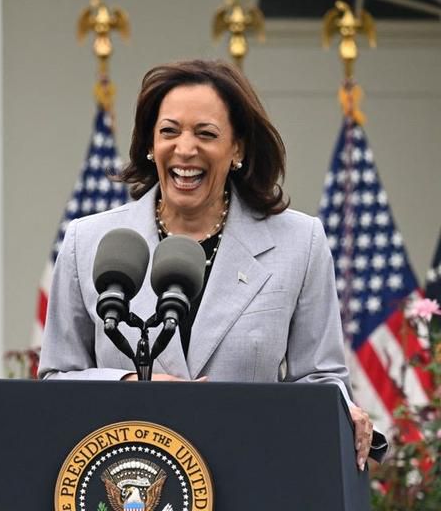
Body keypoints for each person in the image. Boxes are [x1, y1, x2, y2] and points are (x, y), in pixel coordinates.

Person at [38, 59, 383, 470]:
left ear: (237, 148)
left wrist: (346, 408)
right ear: (150, 143)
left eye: (206, 134)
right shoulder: (88, 241)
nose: (186, 149)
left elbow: (321, 379)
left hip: (253, 473)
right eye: (169, 131)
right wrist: (131, 385)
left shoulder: (299, 242)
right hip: (132, 479)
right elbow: (57, 379)